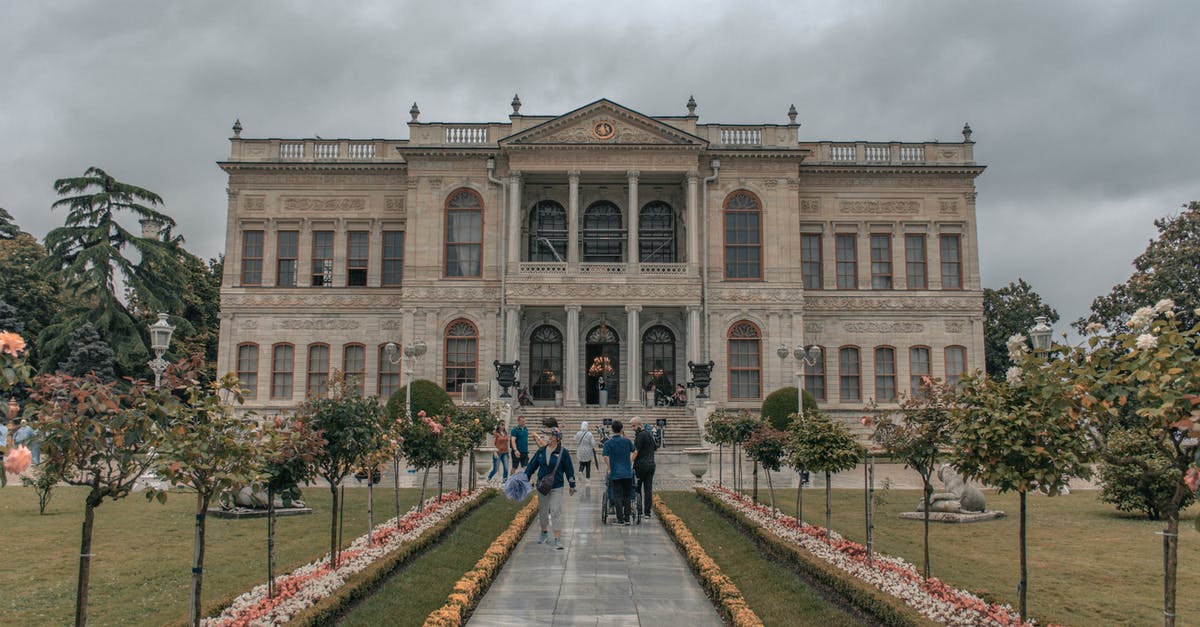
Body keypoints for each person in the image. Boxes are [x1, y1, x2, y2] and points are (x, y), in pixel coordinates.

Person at [524, 428, 576, 549]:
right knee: (543, 510)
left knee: (555, 510)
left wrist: (572, 484)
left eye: (550, 435)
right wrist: (525, 478)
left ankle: (557, 538)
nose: (547, 437)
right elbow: (532, 465)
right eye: (547, 435)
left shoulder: (564, 452)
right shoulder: (541, 451)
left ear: (557, 438)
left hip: (557, 486)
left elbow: (569, 469)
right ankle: (544, 531)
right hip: (542, 486)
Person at [601, 419, 635, 525]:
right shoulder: (627, 441)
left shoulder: (608, 443)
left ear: (612, 429)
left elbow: (605, 456)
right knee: (627, 496)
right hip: (627, 472)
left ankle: (620, 519)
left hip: (615, 473)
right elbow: (634, 451)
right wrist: (629, 461)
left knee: (617, 496)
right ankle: (627, 519)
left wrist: (609, 466)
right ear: (621, 429)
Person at [630, 416, 658, 519]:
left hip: (641, 466)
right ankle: (647, 512)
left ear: (639, 425)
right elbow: (655, 447)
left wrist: (629, 462)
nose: (632, 428)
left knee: (637, 488)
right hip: (651, 465)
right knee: (648, 489)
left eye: (633, 426)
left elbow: (635, 451)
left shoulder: (640, 436)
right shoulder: (649, 434)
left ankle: (640, 510)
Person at [574, 420, 597, 484]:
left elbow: (575, 440)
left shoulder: (578, 433)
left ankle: (580, 471)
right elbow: (593, 443)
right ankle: (587, 478)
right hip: (588, 451)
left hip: (581, 450)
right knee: (588, 465)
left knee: (581, 463)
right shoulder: (589, 434)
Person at [0, 419, 9, 487]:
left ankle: (3, 477)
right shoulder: (5, 428)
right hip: (2, 446)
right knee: (1, 461)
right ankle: (3, 477)